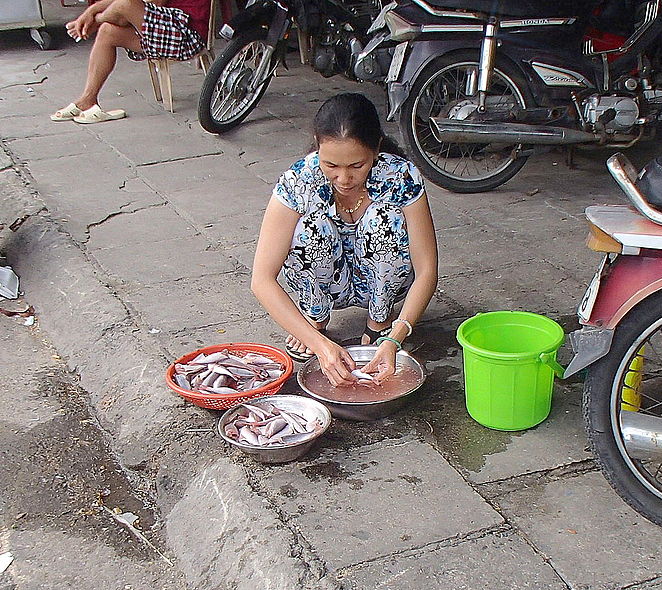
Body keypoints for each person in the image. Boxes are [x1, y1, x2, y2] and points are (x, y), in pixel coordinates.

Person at [251, 93, 438, 387]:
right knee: (311, 227)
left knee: (384, 220)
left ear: (376, 149)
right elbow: (261, 279)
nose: (343, 178)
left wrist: (395, 338)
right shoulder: (298, 181)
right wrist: (318, 346)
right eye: (331, 166)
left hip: (383, 283)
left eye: (356, 166)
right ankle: (314, 321)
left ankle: (378, 324)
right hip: (325, 284)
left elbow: (427, 270)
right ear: (317, 145)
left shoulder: (400, 176)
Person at [51, 0, 209, 124]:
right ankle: (87, 100)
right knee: (107, 32)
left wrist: (96, 18)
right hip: (165, 32)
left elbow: (152, 3)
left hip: (186, 36)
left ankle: (93, 25)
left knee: (125, 6)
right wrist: (91, 11)